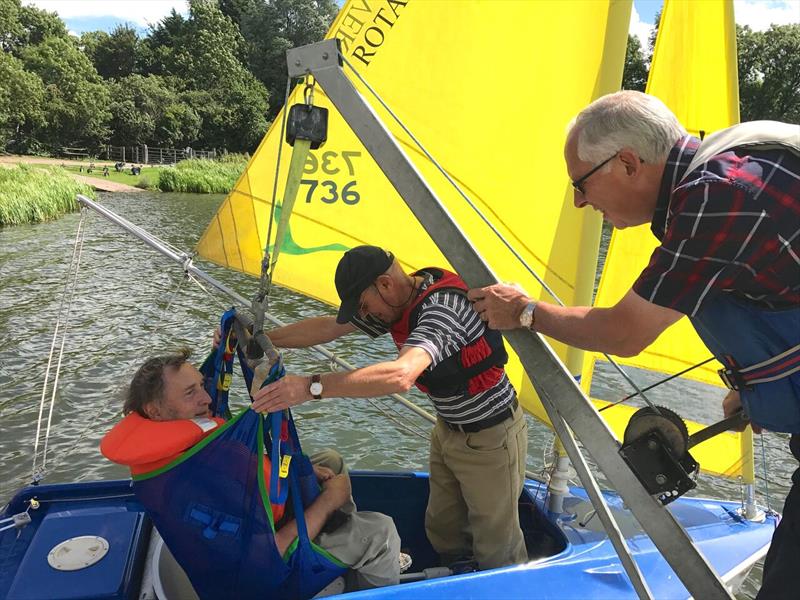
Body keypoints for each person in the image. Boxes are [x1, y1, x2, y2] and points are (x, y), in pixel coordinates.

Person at [467, 90, 799, 598]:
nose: (580, 201)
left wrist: (524, 312)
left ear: (626, 163)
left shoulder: (718, 198)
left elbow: (624, 333)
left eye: (580, 184)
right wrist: (764, 388)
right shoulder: (738, 168)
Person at [251, 245, 529, 571]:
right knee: (443, 530)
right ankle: (458, 581)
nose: (366, 315)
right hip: (448, 431)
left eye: (366, 307)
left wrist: (309, 386)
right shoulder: (397, 305)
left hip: (491, 437)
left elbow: (402, 374)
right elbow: (329, 328)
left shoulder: (443, 310)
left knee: (498, 548)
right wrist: (260, 339)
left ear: (385, 284)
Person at [100, 350, 401, 590]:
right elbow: (268, 556)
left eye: (202, 385)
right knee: (382, 531)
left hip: (241, 545)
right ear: (154, 410)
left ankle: (345, 550)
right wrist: (329, 502)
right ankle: (358, 564)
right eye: (190, 393)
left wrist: (223, 347)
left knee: (329, 460)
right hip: (263, 581)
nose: (206, 399)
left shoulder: (173, 460)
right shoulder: (201, 478)